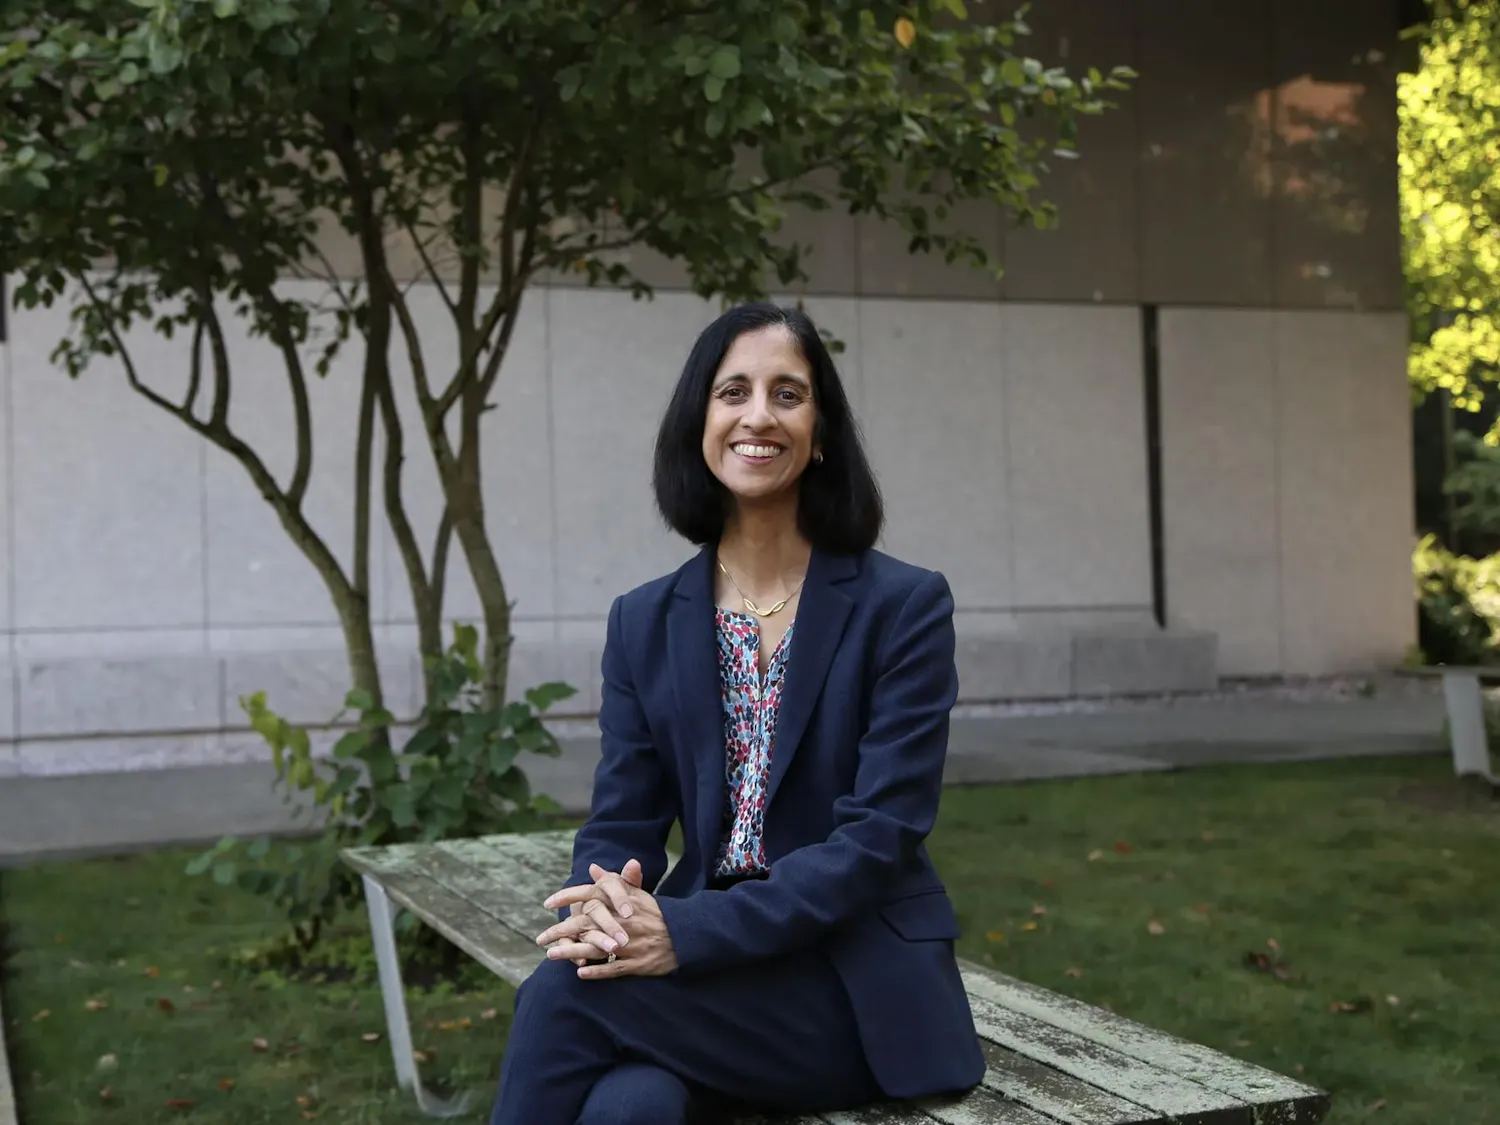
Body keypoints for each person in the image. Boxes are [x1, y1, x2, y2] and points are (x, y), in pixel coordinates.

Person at [489, 301, 985, 1125]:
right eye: (733, 392)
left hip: (848, 988)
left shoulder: (904, 606)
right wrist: (607, 913)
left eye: (788, 393)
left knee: (564, 1000)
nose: (759, 414)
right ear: (700, 425)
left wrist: (685, 933)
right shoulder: (643, 620)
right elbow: (622, 818)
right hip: (710, 979)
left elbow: (877, 839)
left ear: (820, 432)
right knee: (632, 1105)